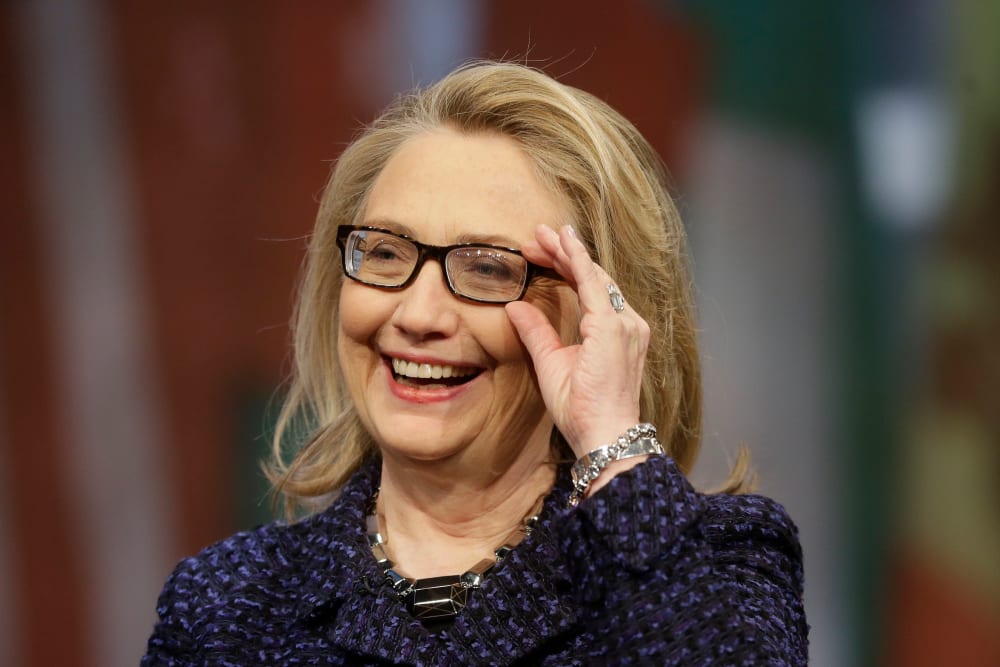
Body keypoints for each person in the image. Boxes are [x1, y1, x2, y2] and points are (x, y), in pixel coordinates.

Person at [142, 61, 808, 665]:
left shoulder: (719, 562)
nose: (418, 313)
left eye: (488, 268)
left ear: (599, 312)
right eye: (385, 254)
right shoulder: (225, 606)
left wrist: (611, 445)